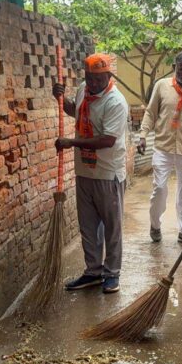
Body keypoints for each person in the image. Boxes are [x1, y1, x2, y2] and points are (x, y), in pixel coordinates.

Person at [53, 53, 129, 294]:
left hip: (107, 173)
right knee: (88, 227)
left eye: (98, 79)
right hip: (84, 171)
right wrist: (61, 98)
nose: (93, 83)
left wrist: (71, 143)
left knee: (112, 228)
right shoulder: (83, 90)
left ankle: (112, 273)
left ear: (109, 76)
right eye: (89, 78)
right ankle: (93, 271)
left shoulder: (115, 102)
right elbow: (76, 112)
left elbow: (107, 140)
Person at [138, 51, 182, 245]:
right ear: (174, 68)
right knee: (159, 189)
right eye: (181, 69)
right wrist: (143, 135)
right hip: (163, 147)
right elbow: (151, 113)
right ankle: (155, 225)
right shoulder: (161, 86)